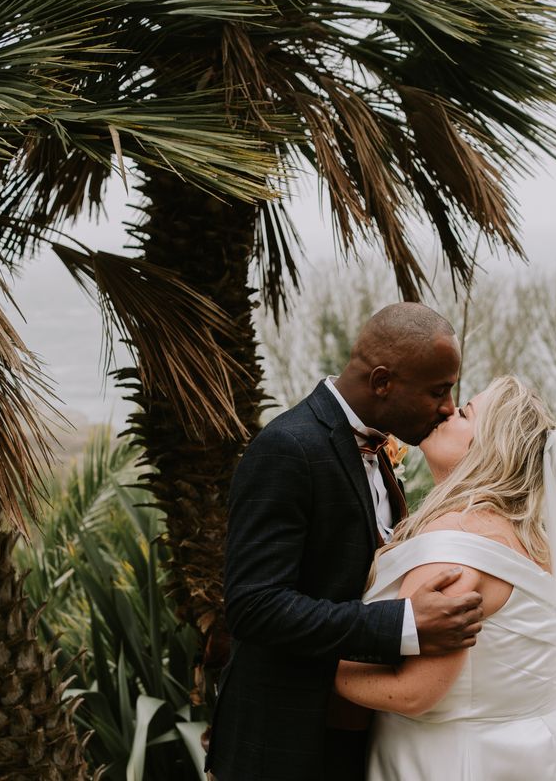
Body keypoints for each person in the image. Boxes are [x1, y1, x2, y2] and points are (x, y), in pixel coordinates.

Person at [206, 303, 486, 781]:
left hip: (354, 734)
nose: (447, 407)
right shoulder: (288, 448)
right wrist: (401, 623)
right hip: (283, 744)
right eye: (438, 391)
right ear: (382, 382)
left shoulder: (379, 449)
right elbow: (254, 606)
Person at [335, 375, 556, 781]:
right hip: (535, 756)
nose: (448, 412)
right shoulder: (537, 544)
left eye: (465, 412)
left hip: (452, 762)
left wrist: (312, 665)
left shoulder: (456, 542)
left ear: (487, 448)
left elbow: (413, 692)